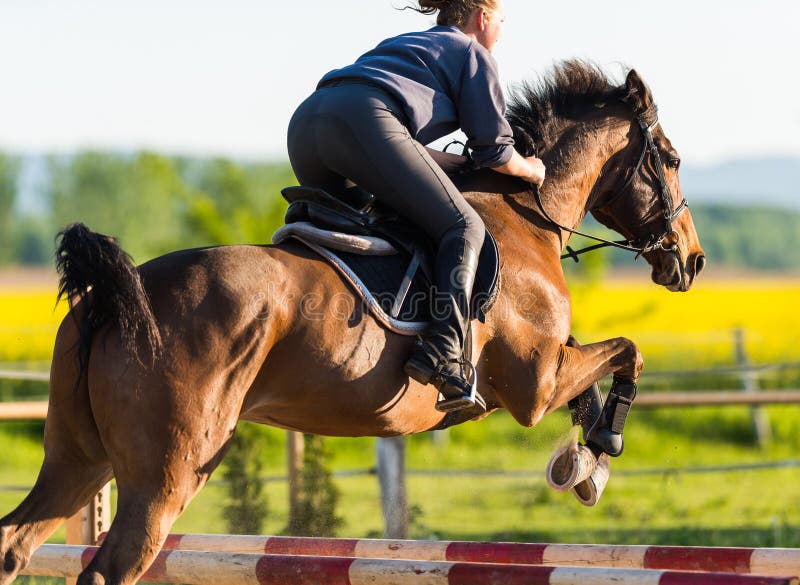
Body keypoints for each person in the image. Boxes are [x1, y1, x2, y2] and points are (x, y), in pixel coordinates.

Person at [287, 0, 546, 412]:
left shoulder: (410, 42)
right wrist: (531, 170)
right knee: (464, 227)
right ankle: (444, 352)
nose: (501, 31)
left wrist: (455, 162)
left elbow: (400, 139)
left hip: (308, 123)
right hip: (364, 121)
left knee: (374, 225)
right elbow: (497, 151)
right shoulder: (473, 52)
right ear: (482, 18)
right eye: (501, 21)